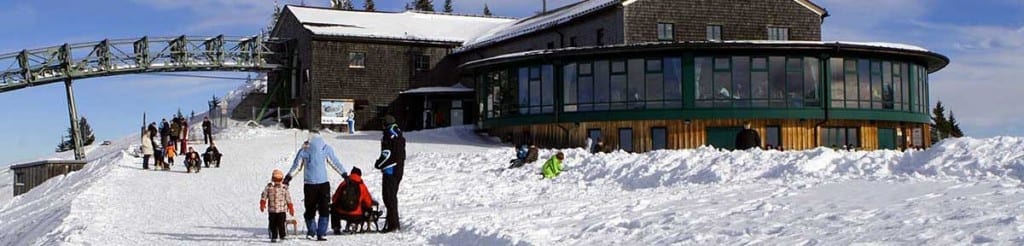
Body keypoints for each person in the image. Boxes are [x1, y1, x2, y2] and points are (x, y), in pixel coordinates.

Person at [284, 131, 350, 241]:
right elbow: (334, 162)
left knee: (310, 209)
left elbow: (296, 166)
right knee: (324, 208)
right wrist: (344, 174)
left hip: (309, 185)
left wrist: (288, 177)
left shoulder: (304, 149)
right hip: (323, 184)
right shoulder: (325, 148)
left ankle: (311, 231)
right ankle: (321, 233)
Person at [374, 115, 405, 233]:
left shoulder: (389, 134)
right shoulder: (398, 133)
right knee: (392, 197)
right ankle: (393, 223)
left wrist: (378, 164)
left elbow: (387, 154)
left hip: (390, 170)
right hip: (399, 169)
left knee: (388, 198)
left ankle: (393, 225)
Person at [330, 167, 374, 234]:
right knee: (367, 208)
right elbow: (368, 202)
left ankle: (336, 227)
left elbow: (334, 199)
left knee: (333, 207)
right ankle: (360, 226)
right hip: (356, 215)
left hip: (342, 213)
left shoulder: (344, 183)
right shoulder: (361, 185)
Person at [260, 169, 296, 243]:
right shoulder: (269, 187)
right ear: (273, 179)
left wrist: (290, 206)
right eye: (275, 179)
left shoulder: (284, 188)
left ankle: (282, 235)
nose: (277, 182)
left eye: (279, 180)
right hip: (272, 210)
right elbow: (264, 195)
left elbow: (288, 198)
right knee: (272, 224)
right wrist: (262, 202)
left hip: (282, 210)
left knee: (281, 223)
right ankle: (274, 236)